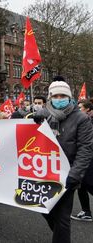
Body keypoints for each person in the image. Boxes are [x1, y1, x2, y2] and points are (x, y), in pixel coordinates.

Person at [33, 77, 93, 242]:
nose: (59, 99)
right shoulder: (44, 116)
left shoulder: (81, 119)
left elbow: (85, 149)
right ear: (50, 98)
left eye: (62, 96)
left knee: (62, 218)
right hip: (45, 171)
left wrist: (75, 175)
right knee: (44, 209)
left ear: (69, 97)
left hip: (68, 174)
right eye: (56, 96)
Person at [71, 100, 93, 221]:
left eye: (80, 108)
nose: (78, 110)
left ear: (88, 109)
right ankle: (86, 212)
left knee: (89, 184)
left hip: (89, 159)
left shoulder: (87, 121)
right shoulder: (81, 120)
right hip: (82, 159)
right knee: (81, 186)